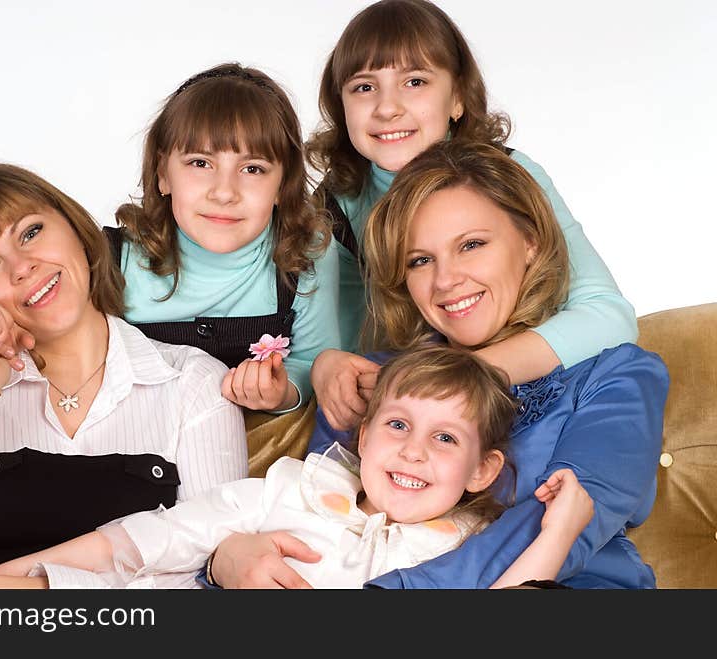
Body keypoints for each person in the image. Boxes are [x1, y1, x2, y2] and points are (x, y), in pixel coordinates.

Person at [207, 140, 668, 589]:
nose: (446, 280)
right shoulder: (376, 379)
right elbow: (315, 528)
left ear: (530, 242)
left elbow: (572, 514)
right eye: (421, 259)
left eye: (471, 245)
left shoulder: (618, 377)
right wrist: (224, 559)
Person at [0, 344, 595, 590]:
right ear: (364, 433)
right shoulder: (288, 492)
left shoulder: (477, 541)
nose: (412, 449)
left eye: (445, 439)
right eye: (399, 425)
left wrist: (558, 533)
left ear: (481, 468)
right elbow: (137, 541)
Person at [0, 163, 248, 589]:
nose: (22, 267)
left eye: (31, 232)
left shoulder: (193, 385)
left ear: (75, 230)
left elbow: (209, 575)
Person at [306, 0, 639, 431]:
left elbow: (609, 315)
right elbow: (350, 342)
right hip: (427, 417)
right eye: (365, 87)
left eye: (415, 81)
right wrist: (326, 364)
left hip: (528, 392)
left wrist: (463, 374)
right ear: (341, 104)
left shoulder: (510, 175)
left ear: (458, 97)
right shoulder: (338, 203)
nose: (387, 108)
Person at [104, 62, 340, 414]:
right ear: (162, 174)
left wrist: (283, 392)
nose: (225, 192)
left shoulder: (306, 253)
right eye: (200, 163)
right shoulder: (113, 260)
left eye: (253, 169)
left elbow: (313, 362)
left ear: (282, 185)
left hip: (256, 452)